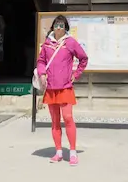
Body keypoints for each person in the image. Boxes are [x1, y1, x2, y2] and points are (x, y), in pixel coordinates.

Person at [36, 15, 88, 166]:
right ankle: (58, 151)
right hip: (51, 87)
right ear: (52, 27)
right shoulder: (46, 44)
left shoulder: (70, 42)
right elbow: (41, 61)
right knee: (54, 121)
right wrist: (42, 73)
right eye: (56, 25)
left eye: (62, 25)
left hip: (65, 86)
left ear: (65, 27)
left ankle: (72, 152)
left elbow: (83, 58)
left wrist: (76, 74)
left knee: (68, 117)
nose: (59, 28)